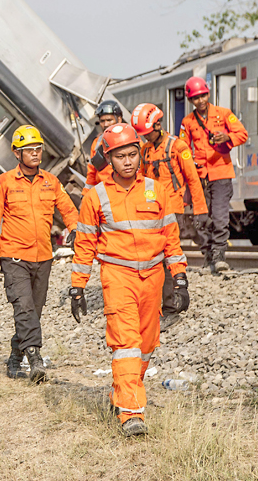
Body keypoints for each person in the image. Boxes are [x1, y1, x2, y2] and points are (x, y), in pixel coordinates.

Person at [69, 123, 189, 436]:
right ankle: (132, 413)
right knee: (126, 345)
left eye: (132, 154)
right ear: (108, 159)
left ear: (140, 154)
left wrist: (180, 278)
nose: (127, 161)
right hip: (117, 277)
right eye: (120, 156)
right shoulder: (95, 196)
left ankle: (121, 392)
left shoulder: (156, 189)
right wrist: (77, 287)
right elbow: (83, 246)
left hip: (152, 279)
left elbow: (171, 239)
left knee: (147, 345)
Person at [0, 125, 79, 383]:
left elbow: (68, 208)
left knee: (32, 313)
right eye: (29, 150)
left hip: (43, 257)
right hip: (14, 257)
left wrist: (76, 229)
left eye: (38, 149)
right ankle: (35, 360)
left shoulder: (51, 181)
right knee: (23, 308)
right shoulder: (2, 183)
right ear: (17, 153)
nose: (35, 154)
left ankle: (15, 356)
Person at [131, 103, 208, 331]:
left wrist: (200, 211)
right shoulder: (145, 151)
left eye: (146, 132)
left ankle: (171, 307)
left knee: (166, 259)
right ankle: (156, 306)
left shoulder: (178, 147)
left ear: (157, 124)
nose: (144, 136)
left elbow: (193, 180)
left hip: (173, 211)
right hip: (150, 212)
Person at [179, 77, 248, 272]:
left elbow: (242, 134)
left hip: (221, 173)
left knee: (219, 217)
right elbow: (182, 147)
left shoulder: (224, 114)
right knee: (201, 219)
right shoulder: (188, 122)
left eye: (203, 96)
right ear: (190, 100)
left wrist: (227, 137)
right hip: (199, 177)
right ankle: (207, 255)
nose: (200, 100)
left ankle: (219, 256)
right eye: (195, 98)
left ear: (208, 94)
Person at [85, 100, 124, 189]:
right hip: (104, 193)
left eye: (109, 120)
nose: (106, 124)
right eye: (102, 121)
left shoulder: (131, 139)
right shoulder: (96, 143)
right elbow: (91, 173)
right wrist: (85, 195)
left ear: (119, 119)